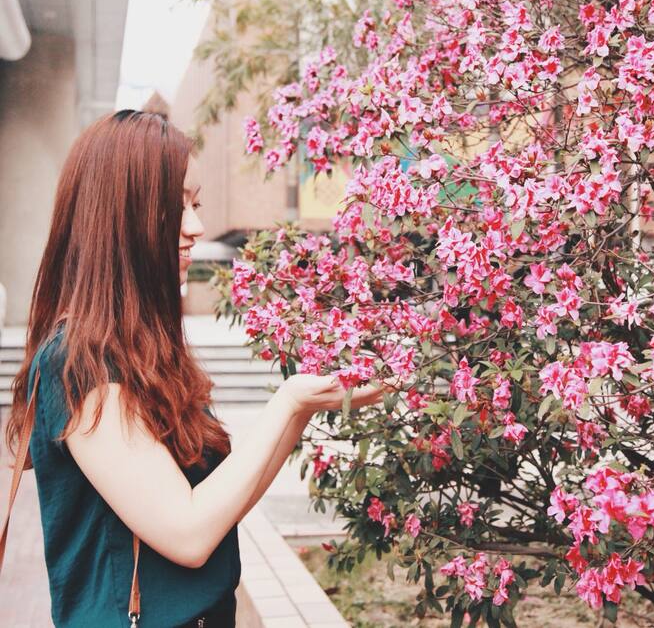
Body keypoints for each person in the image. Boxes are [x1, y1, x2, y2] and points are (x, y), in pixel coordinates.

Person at [4, 110, 386, 627]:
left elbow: (216, 507)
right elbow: (188, 534)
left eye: (196, 203)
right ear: (119, 216)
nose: (196, 227)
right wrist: (288, 403)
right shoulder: (81, 360)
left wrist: (299, 412)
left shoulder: (140, 347)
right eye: (174, 205)